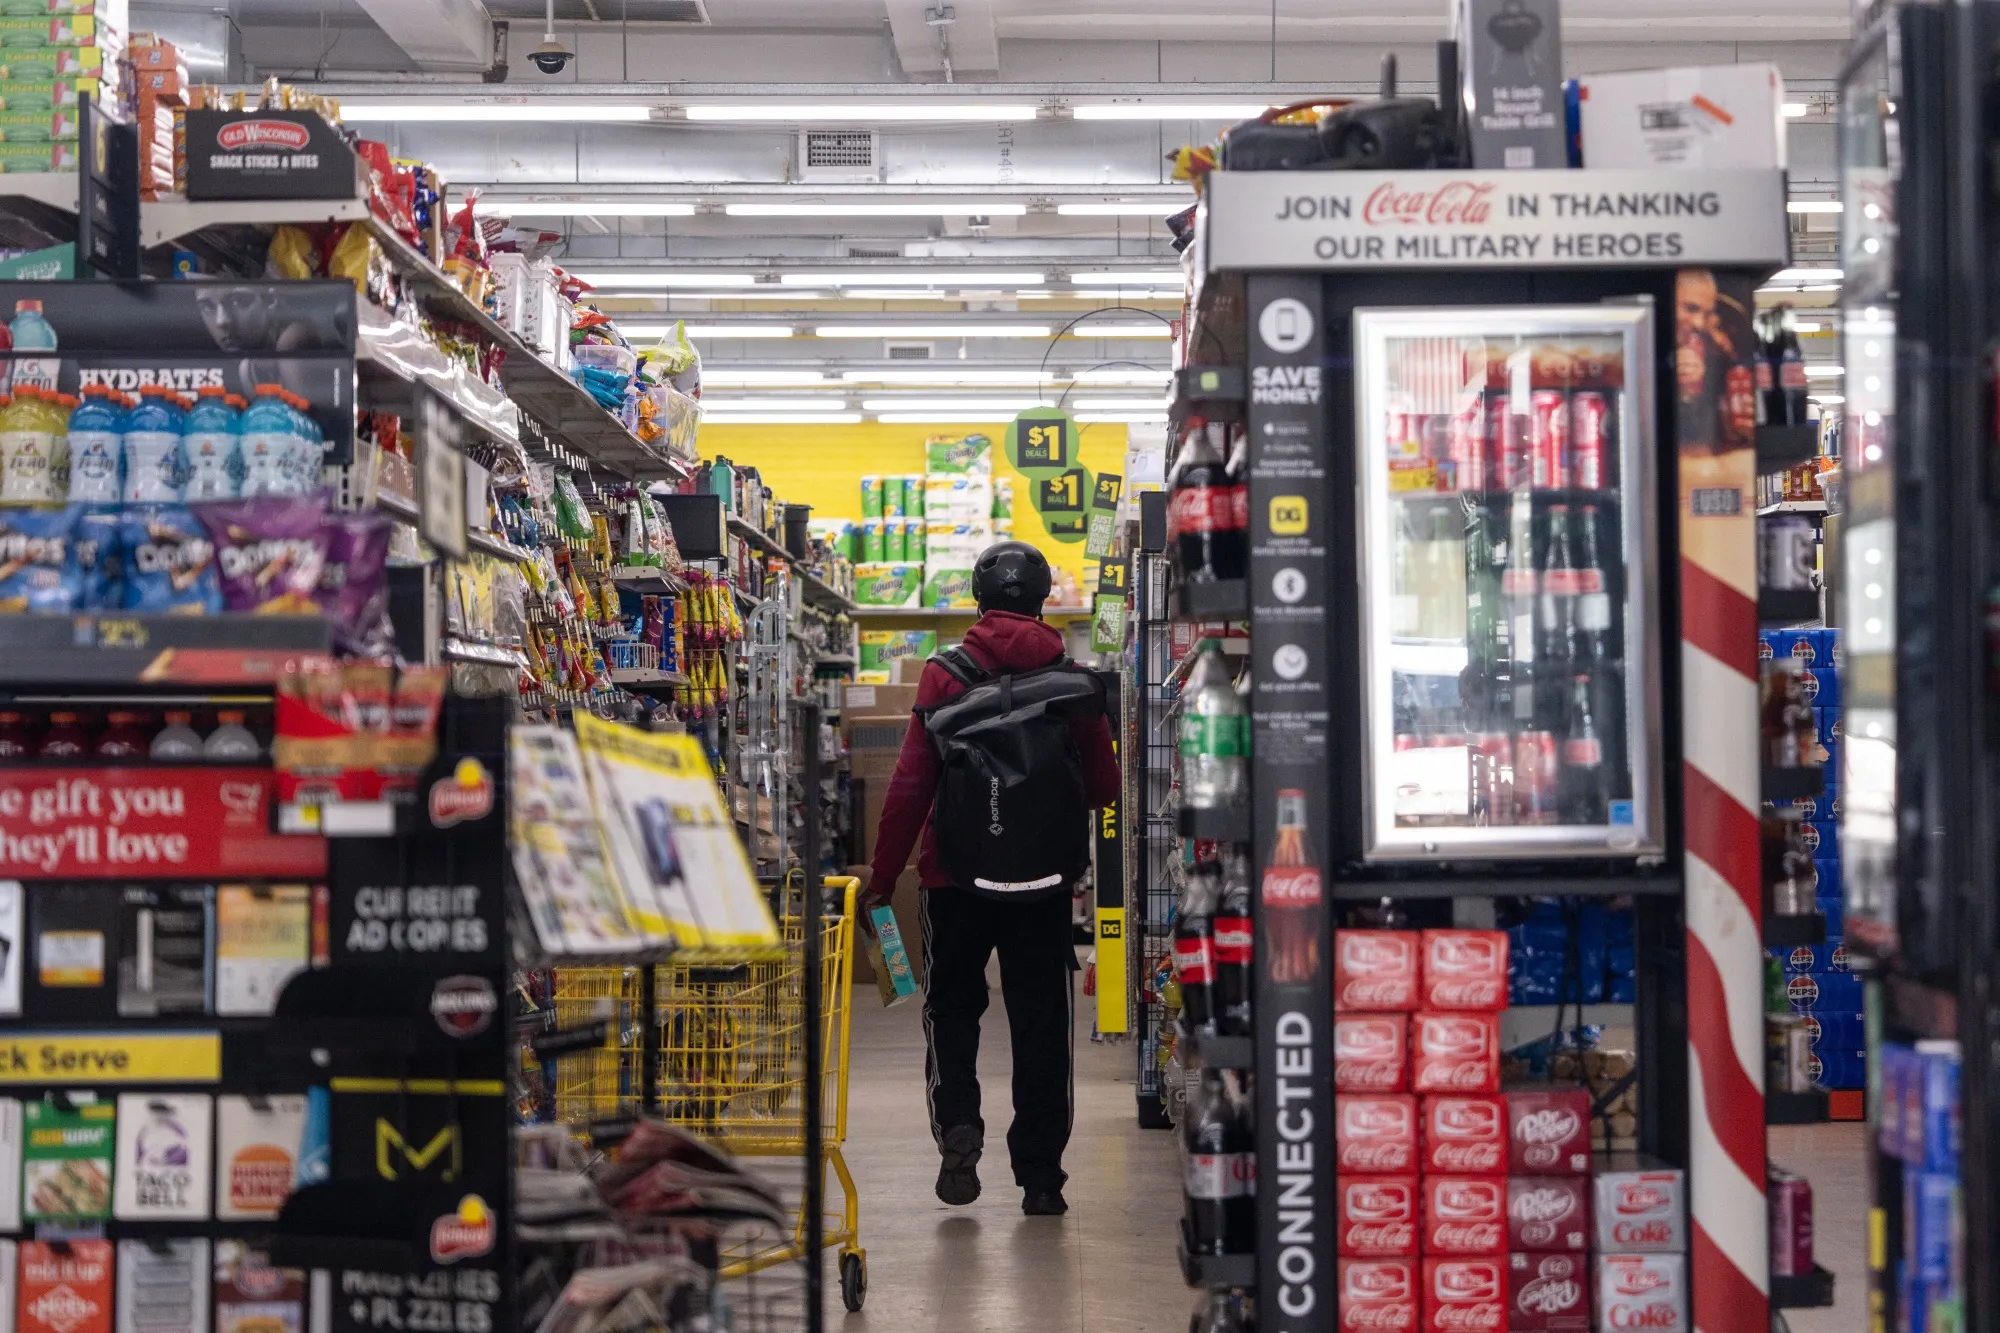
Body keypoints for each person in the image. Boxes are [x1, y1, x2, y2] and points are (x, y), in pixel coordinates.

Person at [864, 540, 1120, 1216]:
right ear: (1041, 602)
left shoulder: (943, 673)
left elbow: (912, 781)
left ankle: (959, 1127)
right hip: (1042, 882)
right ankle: (1041, 1176)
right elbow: (1104, 785)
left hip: (954, 877)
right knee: (1042, 1018)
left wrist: (882, 875)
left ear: (978, 600)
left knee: (952, 1007)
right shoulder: (1071, 677)